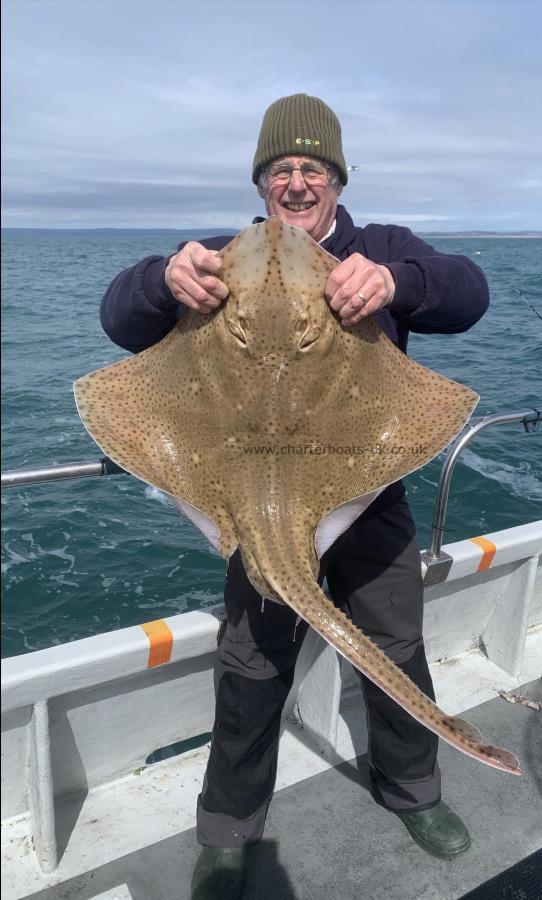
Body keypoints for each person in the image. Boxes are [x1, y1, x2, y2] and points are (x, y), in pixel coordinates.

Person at [100, 93, 489, 898]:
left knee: (396, 649)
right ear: (260, 183)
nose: (297, 182)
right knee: (249, 670)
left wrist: (394, 282)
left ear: (338, 179)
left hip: (366, 497)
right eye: (281, 169)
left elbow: (466, 292)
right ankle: (229, 832)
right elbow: (118, 321)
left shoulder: (380, 247)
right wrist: (158, 278)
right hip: (243, 497)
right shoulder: (214, 255)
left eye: (313, 168)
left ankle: (413, 791)